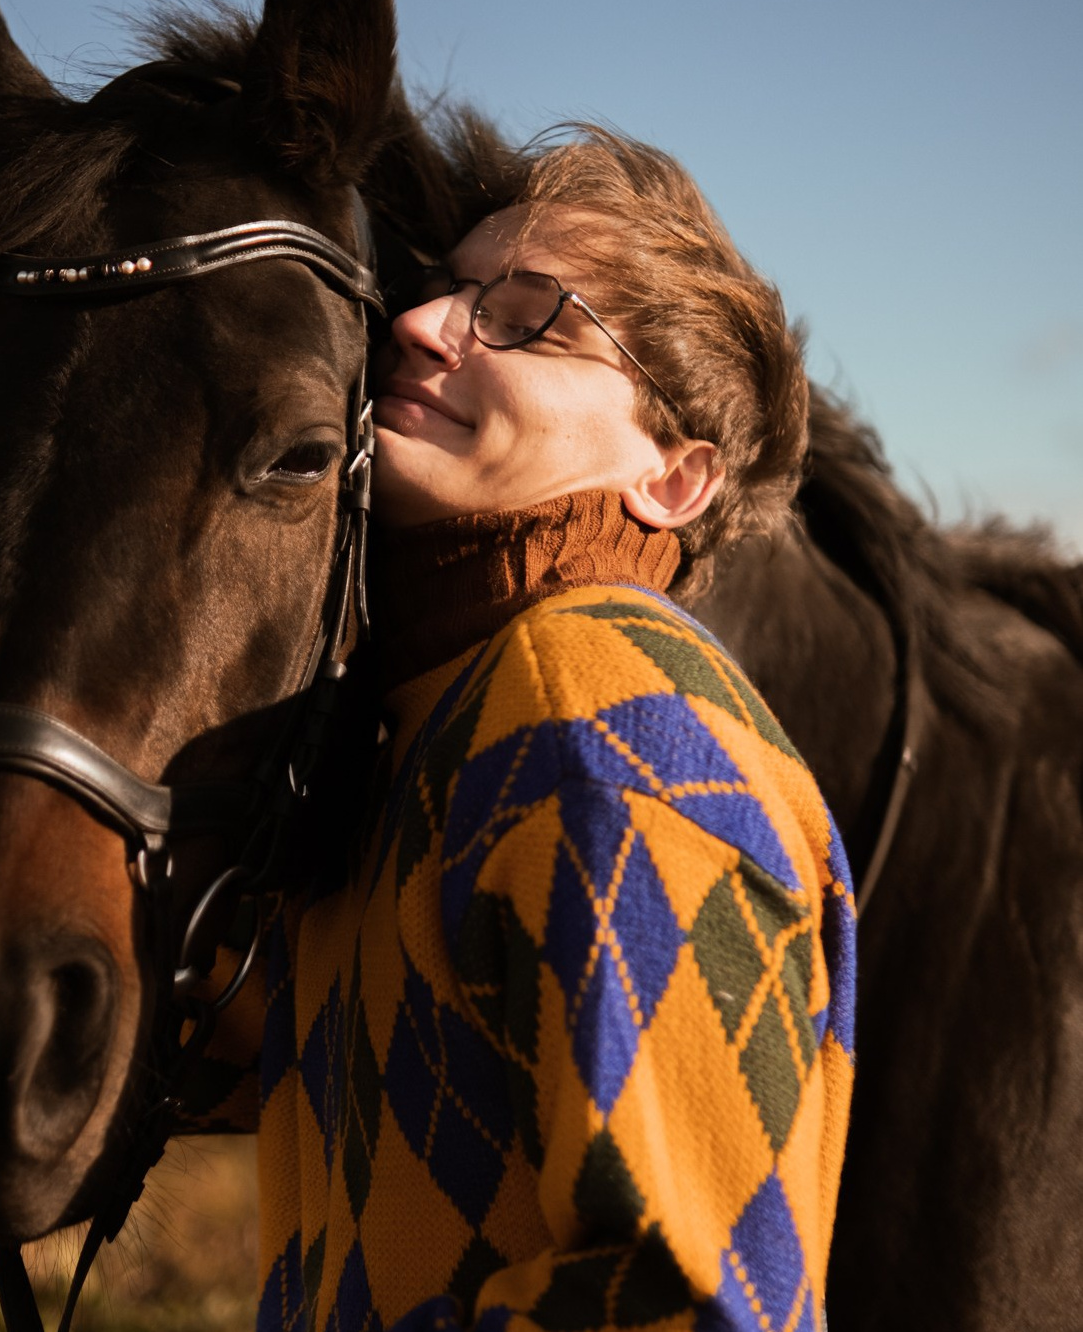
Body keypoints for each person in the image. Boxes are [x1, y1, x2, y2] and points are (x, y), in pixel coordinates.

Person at [198, 126, 856, 1332]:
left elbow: (689, 1306)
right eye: (446, 290)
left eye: (527, 315)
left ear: (673, 478)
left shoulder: (606, 719)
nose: (424, 324)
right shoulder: (431, 713)